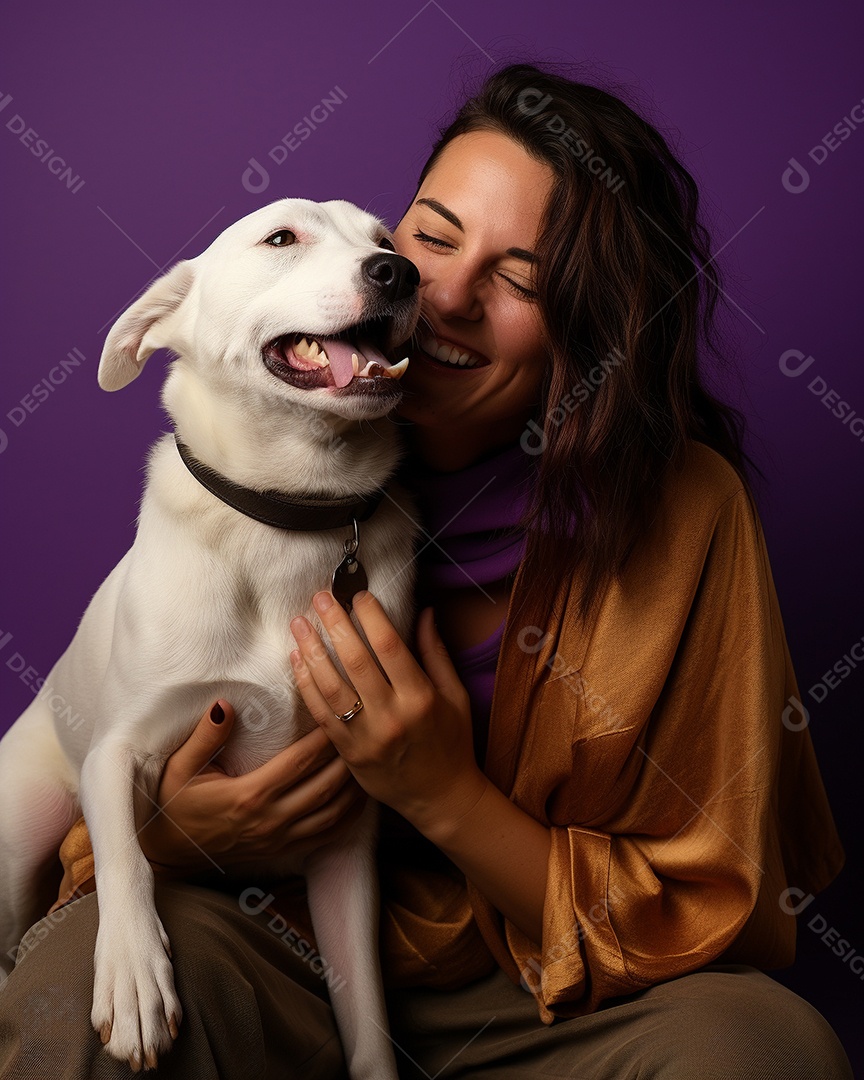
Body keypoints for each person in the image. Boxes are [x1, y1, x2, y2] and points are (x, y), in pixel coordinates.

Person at [0, 62, 853, 1079]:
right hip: (275, 951)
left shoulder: (687, 514)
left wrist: (440, 791)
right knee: (71, 997)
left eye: (522, 279)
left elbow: (717, 894)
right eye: (431, 240)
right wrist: (182, 837)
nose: (442, 294)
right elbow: (104, 766)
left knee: (765, 1049)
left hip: (556, 989)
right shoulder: (270, 463)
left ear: (594, 331)